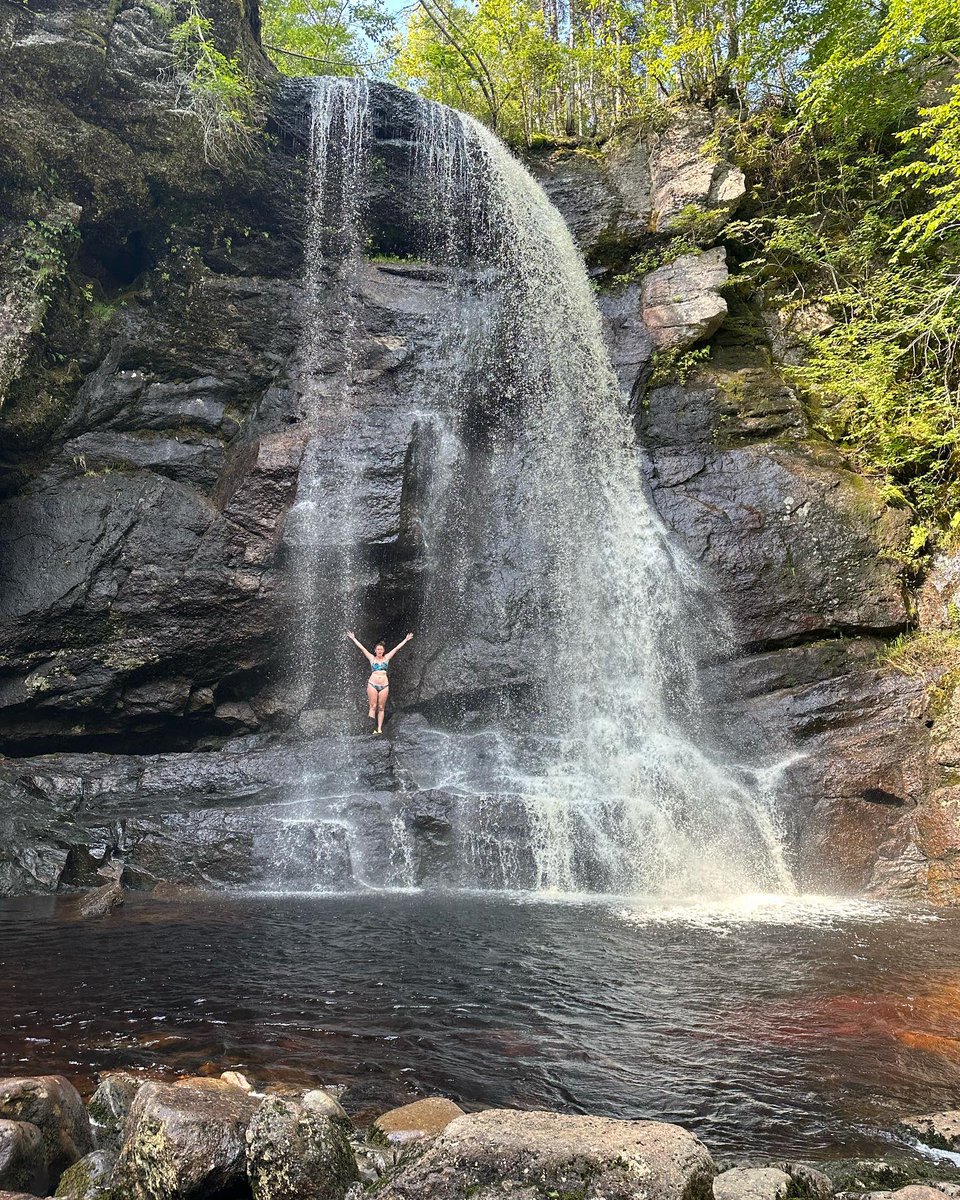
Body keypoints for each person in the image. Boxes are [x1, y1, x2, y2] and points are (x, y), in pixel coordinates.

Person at [345, 630, 414, 736]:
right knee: (373, 706)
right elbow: (362, 648)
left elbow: (396, 648)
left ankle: (379, 729)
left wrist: (406, 639)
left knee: (381, 707)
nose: (379, 651)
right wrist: (354, 638)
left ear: (383, 651)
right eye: (378, 649)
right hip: (372, 684)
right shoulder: (371, 658)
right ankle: (371, 728)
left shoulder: (386, 658)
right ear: (375, 650)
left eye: (381, 649)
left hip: (384, 685)